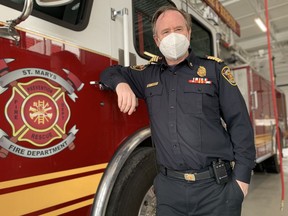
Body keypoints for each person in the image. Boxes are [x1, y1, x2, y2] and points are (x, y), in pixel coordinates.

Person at [100, 5, 256, 216]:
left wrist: (242, 180)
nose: (173, 36)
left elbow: (240, 124)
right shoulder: (148, 75)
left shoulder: (214, 70)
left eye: (178, 29)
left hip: (216, 190)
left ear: (188, 33)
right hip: (169, 192)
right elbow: (109, 72)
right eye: (165, 32)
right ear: (157, 40)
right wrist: (121, 84)